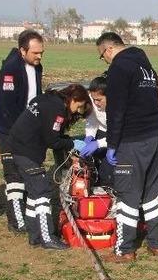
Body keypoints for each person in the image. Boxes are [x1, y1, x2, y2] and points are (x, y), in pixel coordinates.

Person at [96, 32, 158, 263]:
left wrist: (112, 146)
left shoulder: (119, 68)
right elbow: (154, 99)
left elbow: (116, 111)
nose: (105, 61)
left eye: (102, 56)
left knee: (128, 195)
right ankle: (157, 244)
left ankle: (124, 250)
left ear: (107, 50)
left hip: (133, 140)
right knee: (151, 193)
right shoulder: (146, 66)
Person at [8, 84, 97, 250]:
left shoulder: (47, 98)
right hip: (27, 151)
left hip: (17, 146)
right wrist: (72, 143)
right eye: (79, 107)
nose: (78, 112)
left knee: (35, 193)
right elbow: (53, 141)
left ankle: (34, 236)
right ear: (74, 99)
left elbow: (48, 130)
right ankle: (47, 237)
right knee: (43, 191)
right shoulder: (58, 110)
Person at [0, 29, 45, 233]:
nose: (39, 56)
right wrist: (19, 134)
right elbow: (7, 107)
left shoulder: (37, 68)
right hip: (8, 129)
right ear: (23, 51)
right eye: (35, 53)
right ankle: (16, 220)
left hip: (27, 128)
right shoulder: (11, 69)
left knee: (29, 170)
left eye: (41, 53)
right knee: (13, 173)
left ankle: (30, 212)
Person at [84, 74, 113, 186]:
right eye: (94, 99)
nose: (96, 103)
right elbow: (92, 120)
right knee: (93, 162)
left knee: (108, 169)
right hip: (102, 131)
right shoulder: (92, 99)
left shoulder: (118, 106)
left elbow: (119, 133)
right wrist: (89, 136)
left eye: (99, 100)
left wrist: (99, 143)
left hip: (117, 135)